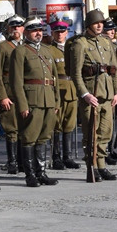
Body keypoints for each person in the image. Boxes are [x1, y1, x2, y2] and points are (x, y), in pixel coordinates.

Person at [71, 9, 117, 182]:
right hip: (92, 95)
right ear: (88, 25)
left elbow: (114, 69)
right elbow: (76, 73)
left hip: (107, 95)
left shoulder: (106, 43)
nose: (100, 26)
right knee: (91, 133)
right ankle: (91, 166)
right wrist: (84, 94)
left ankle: (101, 165)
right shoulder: (81, 44)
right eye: (95, 23)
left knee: (105, 132)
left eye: (101, 23)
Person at [10, 18, 60, 187]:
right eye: (33, 30)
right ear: (26, 32)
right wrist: (22, 105)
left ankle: (42, 172)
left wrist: (57, 102)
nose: (38, 33)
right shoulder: (20, 51)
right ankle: (30, 174)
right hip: (32, 100)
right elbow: (16, 81)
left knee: (44, 137)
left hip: (48, 99)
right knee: (29, 137)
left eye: (40, 30)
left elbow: (55, 79)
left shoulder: (47, 51)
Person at [0, 16, 25, 174]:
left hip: (25, 93)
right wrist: (2, 96)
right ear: (8, 29)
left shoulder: (27, 46)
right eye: (13, 27)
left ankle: (23, 160)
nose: (16, 29)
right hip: (9, 92)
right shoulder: (3, 47)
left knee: (24, 128)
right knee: (11, 128)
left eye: (19, 26)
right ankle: (12, 162)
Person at [46, 20, 80, 170]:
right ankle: (56, 157)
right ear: (52, 33)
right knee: (56, 125)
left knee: (70, 125)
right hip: (57, 89)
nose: (60, 34)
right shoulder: (48, 50)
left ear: (67, 32)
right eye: (56, 32)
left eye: (62, 31)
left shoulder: (73, 48)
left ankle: (68, 156)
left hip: (72, 89)